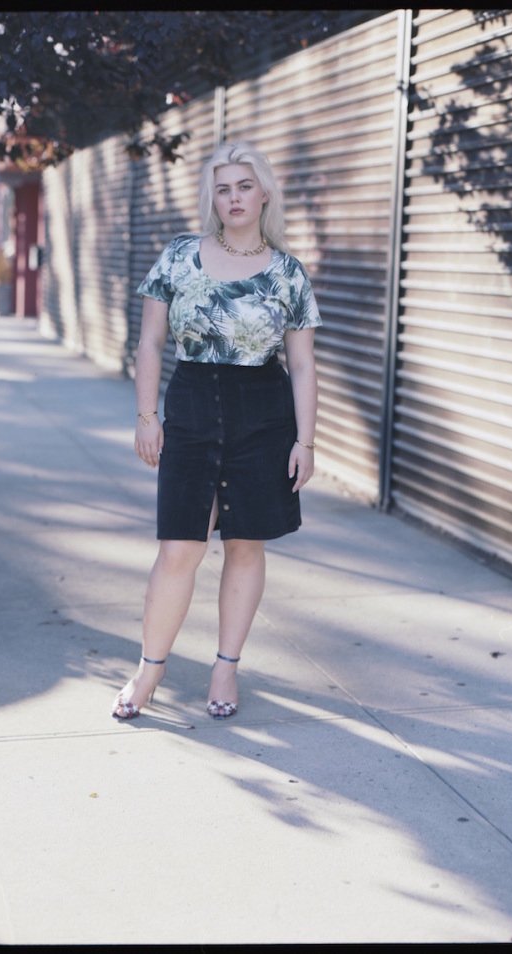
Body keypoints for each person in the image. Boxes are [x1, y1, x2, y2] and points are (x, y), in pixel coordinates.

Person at [111, 141, 322, 720]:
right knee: (179, 548)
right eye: (223, 187)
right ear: (213, 196)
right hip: (194, 405)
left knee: (246, 545)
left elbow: (302, 364)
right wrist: (146, 415)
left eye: (244, 186)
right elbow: (150, 342)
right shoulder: (179, 257)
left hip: (265, 411)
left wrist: (305, 441)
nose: (233, 197)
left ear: (264, 193)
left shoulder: (287, 272)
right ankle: (147, 674)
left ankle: (225, 670)